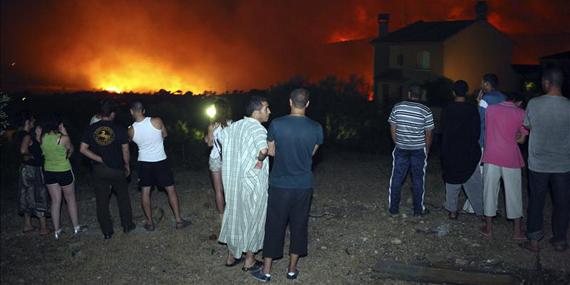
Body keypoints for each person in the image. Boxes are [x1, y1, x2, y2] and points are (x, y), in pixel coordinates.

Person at [251, 88, 323, 282]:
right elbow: (311, 153)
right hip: (303, 185)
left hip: (280, 184)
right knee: (299, 225)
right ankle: (291, 270)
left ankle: (266, 271)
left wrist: (284, 152)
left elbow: (271, 152)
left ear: (290, 102)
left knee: (275, 225)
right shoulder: (316, 128)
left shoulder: (277, 124)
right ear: (307, 104)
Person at [217, 96, 271, 272]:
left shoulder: (233, 127)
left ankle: (232, 256)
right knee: (254, 218)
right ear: (256, 112)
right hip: (252, 182)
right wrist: (259, 162)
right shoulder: (258, 129)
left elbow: (221, 139)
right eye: (266, 108)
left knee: (235, 216)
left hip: (233, 182)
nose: (269, 112)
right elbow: (264, 150)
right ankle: (250, 260)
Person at [521, 68, 570, 252]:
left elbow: (528, 125)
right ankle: (560, 240)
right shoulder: (568, 106)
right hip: (563, 164)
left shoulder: (534, 103)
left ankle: (533, 241)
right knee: (563, 202)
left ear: (547, 82)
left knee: (536, 201)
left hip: (538, 164)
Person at [129, 101, 191, 231]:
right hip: (161, 161)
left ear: (131, 112)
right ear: (143, 110)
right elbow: (165, 134)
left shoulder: (130, 130)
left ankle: (150, 223)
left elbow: (131, 143)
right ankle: (179, 221)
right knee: (170, 190)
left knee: (145, 192)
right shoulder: (157, 121)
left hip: (144, 163)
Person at [80, 100, 136, 239]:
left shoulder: (91, 129)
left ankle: (107, 231)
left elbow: (82, 149)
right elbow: (125, 150)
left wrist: (98, 158)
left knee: (102, 201)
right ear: (112, 114)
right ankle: (127, 225)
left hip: (99, 170)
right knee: (123, 197)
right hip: (117, 169)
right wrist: (127, 165)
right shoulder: (119, 129)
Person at [479, 92, 528, 240]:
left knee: (489, 192)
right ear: (518, 102)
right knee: (514, 194)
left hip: (491, 155)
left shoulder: (491, 109)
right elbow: (521, 141)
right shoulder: (521, 112)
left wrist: (479, 101)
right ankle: (517, 232)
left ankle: (488, 228)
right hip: (511, 158)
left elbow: (482, 123)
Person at [463, 73, 507, 214]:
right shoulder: (503, 98)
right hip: (500, 142)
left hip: (483, 141)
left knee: (479, 174)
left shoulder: (486, 99)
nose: (481, 85)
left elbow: (479, 120)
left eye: (482, 83)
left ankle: (476, 207)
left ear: (487, 84)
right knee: (494, 177)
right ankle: (492, 206)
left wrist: (478, 103)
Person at [387, 84, 434, 216]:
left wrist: (397, 142)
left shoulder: (398, 107)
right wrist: (427, 150)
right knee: (418, 180)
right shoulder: (426, 110)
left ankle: (393, 210)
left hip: (401, 148)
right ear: (421, 95)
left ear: (409, 94)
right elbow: (429, 134)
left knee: (396, 178)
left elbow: (392, 127)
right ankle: (418, 211)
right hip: (419, 150)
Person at [440, 81, 483, 220]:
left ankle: (452, 211)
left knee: (452, 181)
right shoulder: (472, 109)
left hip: (451, 150)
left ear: (453, 92)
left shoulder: (447, 109)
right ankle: (481, 212)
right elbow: (477, 131)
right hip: (468, 150)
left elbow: (443, 130)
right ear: (466, 92)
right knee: (474, 181)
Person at [40, 117, 85, 240]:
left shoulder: (42, 138)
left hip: (49, 171)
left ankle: (57, 231)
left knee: (55, 201)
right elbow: (70, 151)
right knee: (70, 199)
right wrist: (65, 132)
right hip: (64, 170)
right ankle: (76, 227)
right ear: (58, 125)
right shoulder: (63, 138)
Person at [16, 113, 49, 235]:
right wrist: (31, 156)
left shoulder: (17, 134)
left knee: (26, 194)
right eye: (32, 120)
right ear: (27, 122)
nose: (34, 122)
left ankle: (27, 225)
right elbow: (23, 150)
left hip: (24, 169)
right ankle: (43, 228)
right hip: (32, 169)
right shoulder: (27, 136)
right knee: (38, 194)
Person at [204, 99, 232, 215]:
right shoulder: (232, 124)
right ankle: (231, 213)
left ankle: (221, 216)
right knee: (229, 188)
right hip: (229, 158)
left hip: (215, 158)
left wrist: (210, 131)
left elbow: (209, 144)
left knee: (218, 189)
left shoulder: (212, 125)